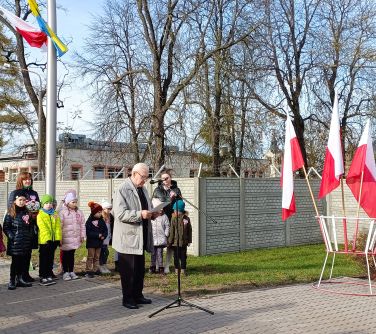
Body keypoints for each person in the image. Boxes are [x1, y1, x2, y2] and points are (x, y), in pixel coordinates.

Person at [112, 162, 154, 309]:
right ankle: (128, 299)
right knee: (128, 271)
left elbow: (146, 208)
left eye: (147, 178)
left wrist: (153, 213)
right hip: (127, 238)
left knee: (139, 270)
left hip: (140, 237)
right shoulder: (122, 189)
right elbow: (119, 214)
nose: (145, 180)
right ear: (134, 174)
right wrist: (140, 214)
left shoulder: (143, 189)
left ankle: (138, 295)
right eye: (143, 177)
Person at [7, 172, 40, 282]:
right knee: (18, 256)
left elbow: (37, 207)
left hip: (31, 226)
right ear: (20, 180)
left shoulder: (34, 193)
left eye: (29, 179)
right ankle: (17, 276)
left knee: (28, 252)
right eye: (25, 179)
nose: (27, 181)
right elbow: (11, 209)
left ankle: (25, 274)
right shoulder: (15, 193)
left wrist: (35, 214)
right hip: (19, 227)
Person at [152, 168, 182, 274]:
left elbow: (180, 205)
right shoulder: (157, 190)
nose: (165, 180)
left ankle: (167, 266)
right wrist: (170, 199)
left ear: (170, 178)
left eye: (167, 178)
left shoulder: (176, 190)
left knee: (170, 244)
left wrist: (175, 198)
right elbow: (156, 204)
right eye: (163, 178)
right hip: (160, 220)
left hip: (172, 219)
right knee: (158, 245)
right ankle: (156, 265)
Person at [3, 189, 33, 290]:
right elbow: (6, 227)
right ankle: (12, 280)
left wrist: (30, 236)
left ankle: (20, 279)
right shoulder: (10, 213)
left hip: (25, 243)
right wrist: (12, 237)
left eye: (24, 200)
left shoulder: (27, 213)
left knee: (23, 262)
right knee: (15, 263)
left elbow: (30, 226)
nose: (22, 202)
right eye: (20, 200)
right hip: (15, 243)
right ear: (15, 201)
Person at [59, 189, 86, 281]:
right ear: (67, 202)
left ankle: (71, 271)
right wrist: (60, 238)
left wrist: (82, 236)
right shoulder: (63, 213)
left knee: (71, 255)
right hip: (66, 238)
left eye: (76, 202)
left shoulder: (79, 213)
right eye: (73, 202)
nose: (75, 204)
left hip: (74, 238)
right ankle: (65, 272)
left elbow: (82, 225)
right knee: (65, 255)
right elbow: (60, 226)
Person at [37, 194, 62, 285]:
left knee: (50, 258)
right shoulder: (40, 214)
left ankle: (48, 274)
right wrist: (47, 239)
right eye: (46, 203)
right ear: (42, 204)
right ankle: (43, 275)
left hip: (53, 241)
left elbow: (58, 227)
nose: (48, 205)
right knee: (44, 258)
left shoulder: (55, 214)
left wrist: (58, 239)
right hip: (45, 241)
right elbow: (43, 227)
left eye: (50, 203)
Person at [168, 199, 192, 276]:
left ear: (180, 210)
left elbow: (189, 230)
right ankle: (176, 269)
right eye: (174, 210)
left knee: (183, 257)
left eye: (176, 210)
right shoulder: (173, 219)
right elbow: (172, 230)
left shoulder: (186, 219)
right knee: (176, 257)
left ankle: (183, 270)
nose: (174, 211)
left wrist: (189, 241)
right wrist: (170, 241)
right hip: (175, 242)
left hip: (184, 242)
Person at [85, 201, 107, 278]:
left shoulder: (102, 221)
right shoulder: (89, 221)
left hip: (99, 243)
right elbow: (88, 232)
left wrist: (104, 235)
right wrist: (97, 235)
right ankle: (88, 270)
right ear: (94, 212)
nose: (100, 214)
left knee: (97, 257)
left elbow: (105, 230)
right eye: (98, 212)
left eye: (101, 212)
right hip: (91, 243)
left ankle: (95, 269)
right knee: (90, 257)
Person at [150, 198, 170, 274]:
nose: (161, 211)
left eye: (162, 209)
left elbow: (167, 226)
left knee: (160, 253)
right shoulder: (152, 216)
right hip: (153, 238)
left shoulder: (164, 217)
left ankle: (161, 267)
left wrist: (166, 234)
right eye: (159, 209)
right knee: (153, 254)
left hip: (161, 239)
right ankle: (153, 267)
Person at [99, 199, 113, 274]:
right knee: (102, 252)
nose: (109, 210)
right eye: (108, 209)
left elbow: (109, 228)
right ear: (103, 208)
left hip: (107, 238)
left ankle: (104, 264)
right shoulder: (101, 217)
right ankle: (101, 265)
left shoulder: (109, 216)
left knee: (106, 252)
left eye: (110, 209)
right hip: (102, 239)